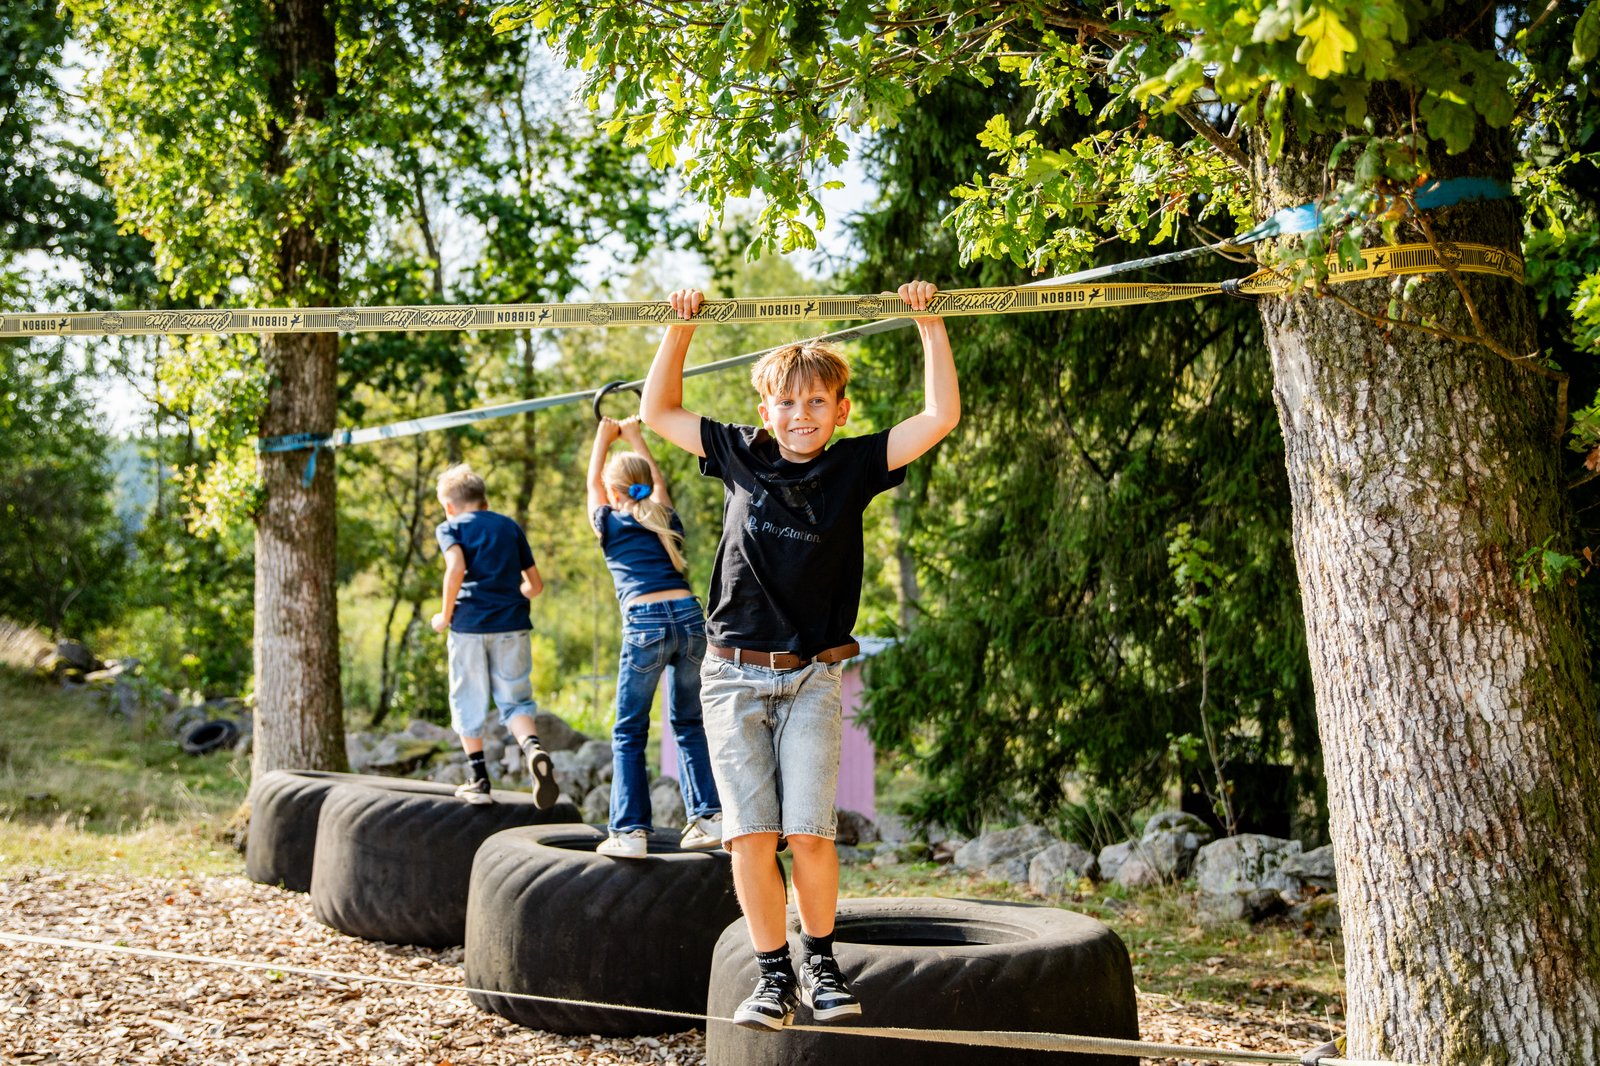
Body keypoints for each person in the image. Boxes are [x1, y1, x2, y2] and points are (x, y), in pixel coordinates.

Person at [639, 280, 959, 1030]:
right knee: (748, 835)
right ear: (766, 411)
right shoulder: (740, 453)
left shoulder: (854, 466)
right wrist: (678, 329)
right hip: (731, 677)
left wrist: (929, 324)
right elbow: (659, 413)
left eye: (817, 403)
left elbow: (940, 415)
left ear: (841, 411)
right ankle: (773, 974)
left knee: (810, 832)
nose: (800, 415)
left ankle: (821, 961)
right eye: (786, 403)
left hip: (814, 676)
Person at [585, 415, 724, 859]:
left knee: (629, 730)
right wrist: (636, 437)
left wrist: (602, 440)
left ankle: (628, 832)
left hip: (644, 621)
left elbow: (592, 484)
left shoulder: (607, 521)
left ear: (612, 492)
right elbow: (656, 485)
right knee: (688, 724)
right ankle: (708, 817)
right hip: (688, 617)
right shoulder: (663, 519)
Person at [431, 463, 559, 809]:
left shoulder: (450, 527)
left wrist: (445, 615)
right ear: (485, 502)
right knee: (515, 699)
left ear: (449, 506)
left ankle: (479, 779)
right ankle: (532, 748)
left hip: (469, 627)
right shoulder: (509, 527)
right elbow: (535, 585)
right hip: (513, 625)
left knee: (467, 699)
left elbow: (455, 567)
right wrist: (513, 594)